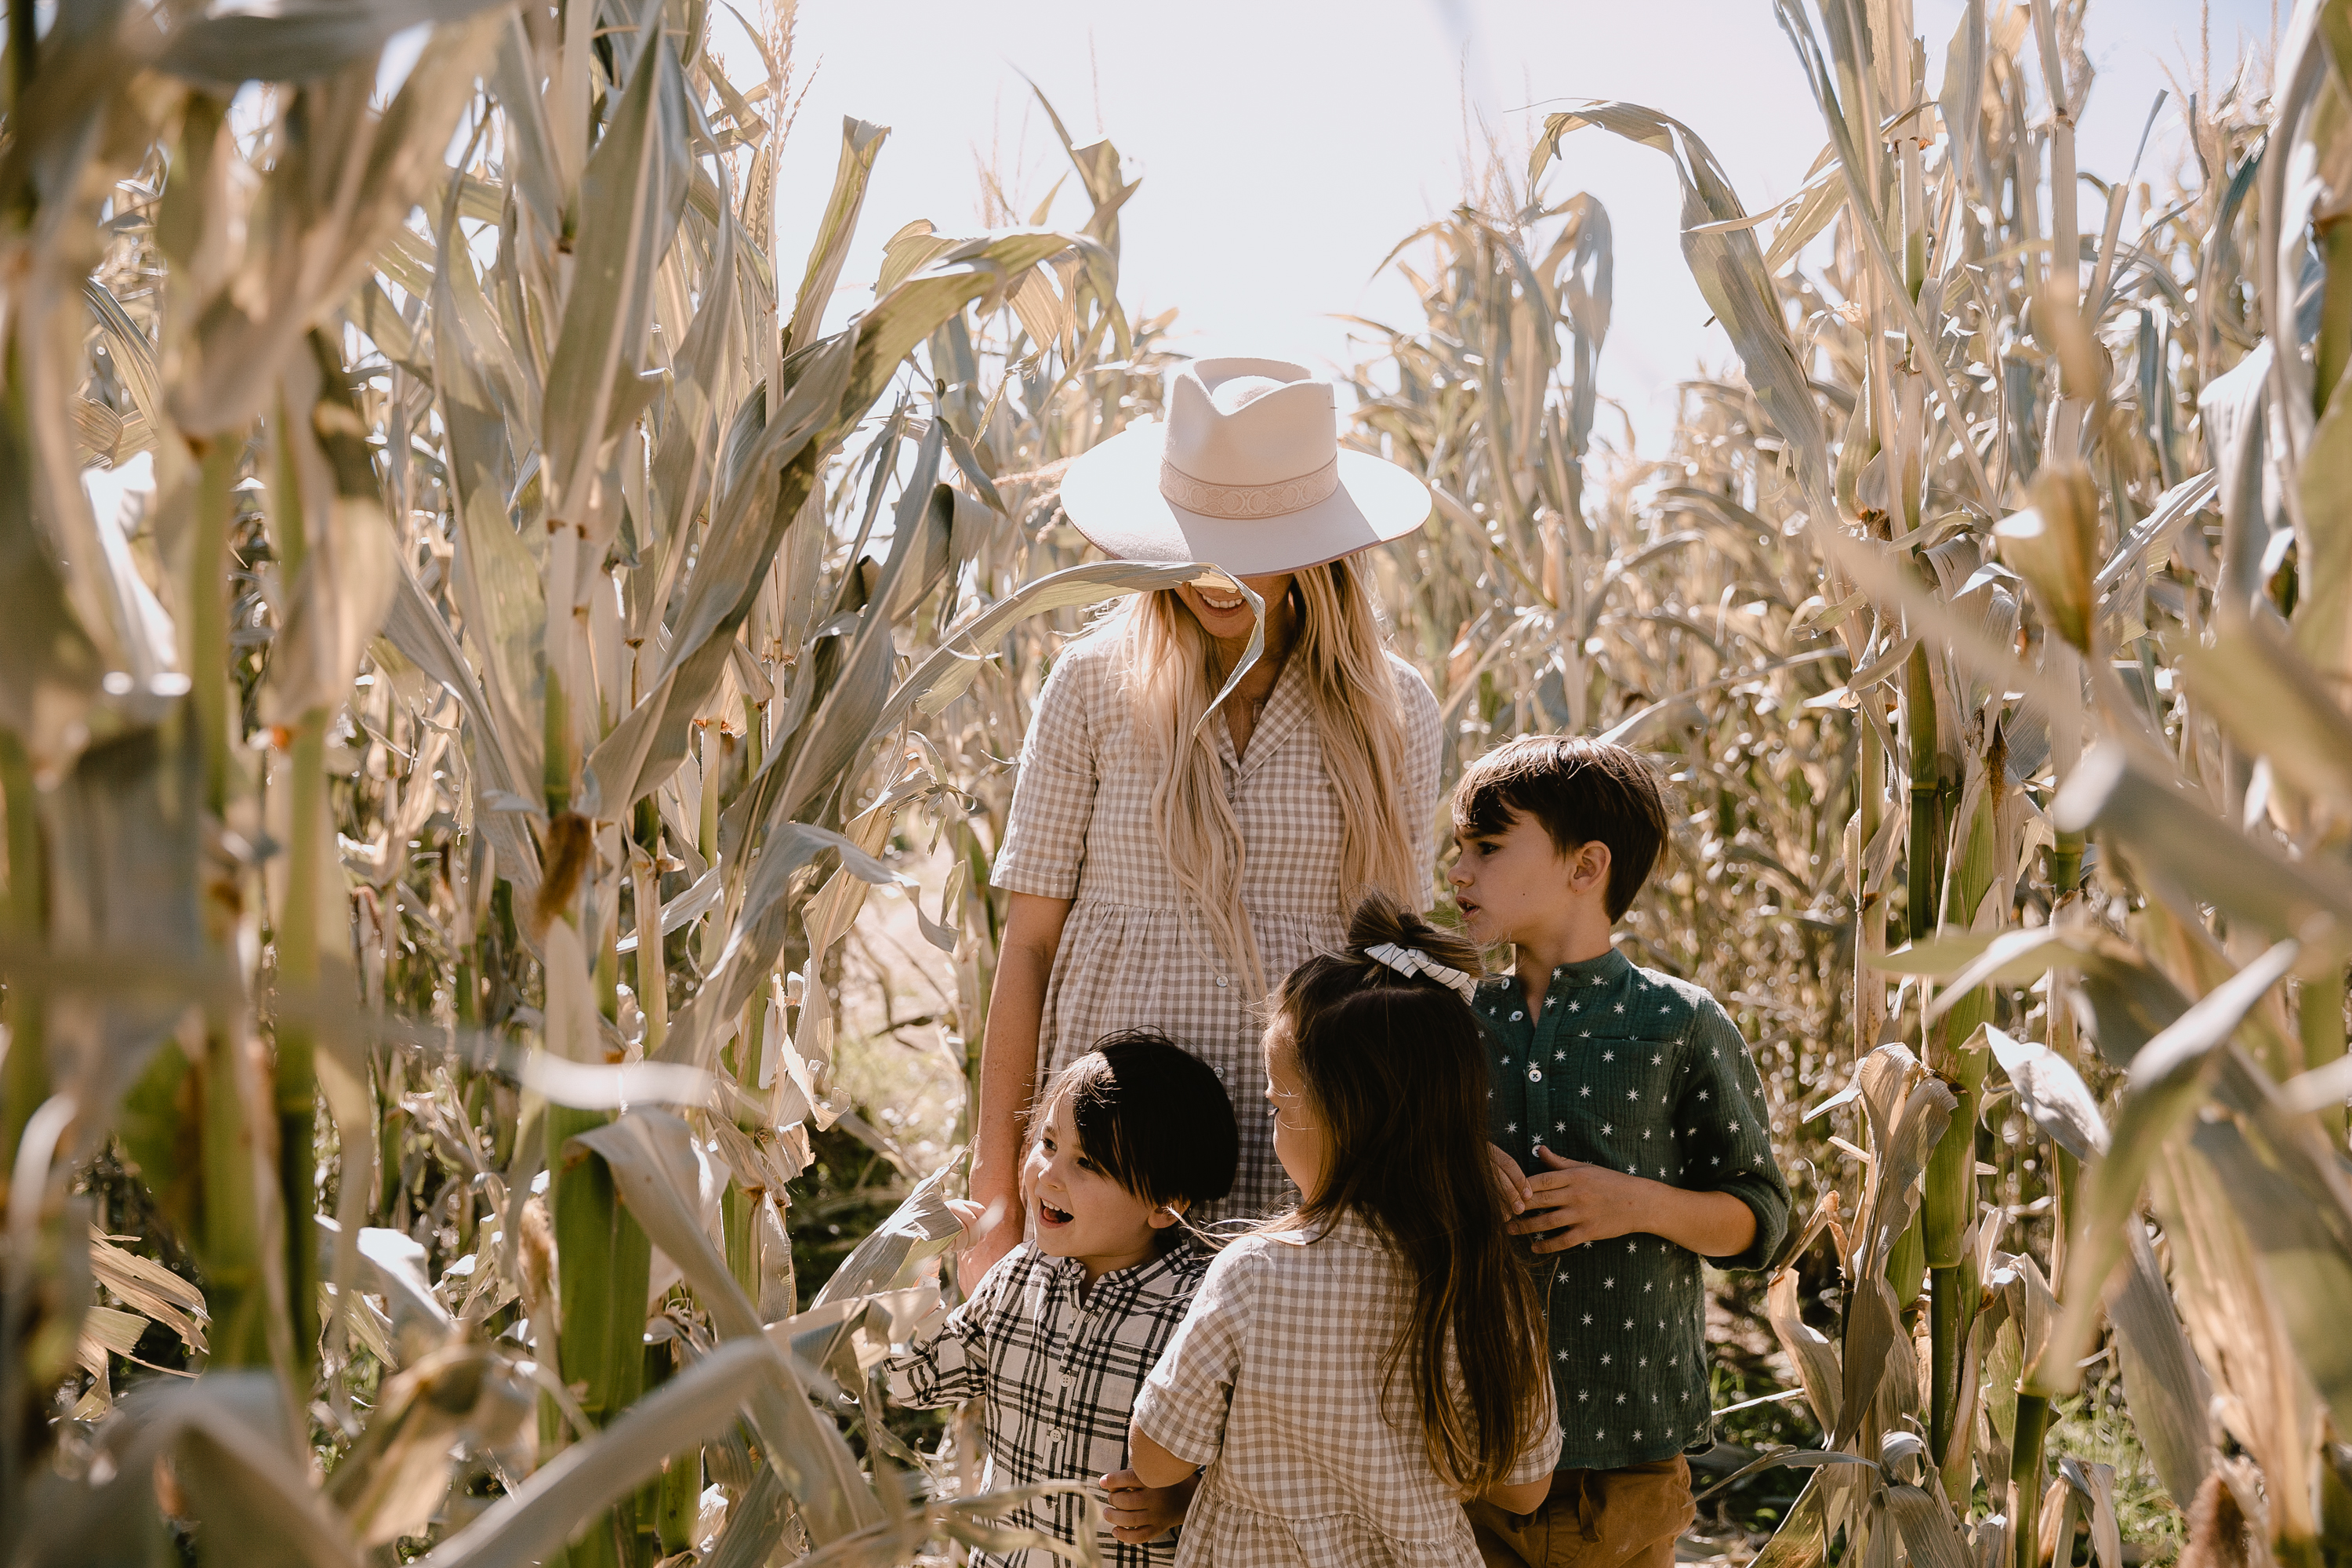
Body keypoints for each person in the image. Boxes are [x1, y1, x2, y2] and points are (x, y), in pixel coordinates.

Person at [971, 356, 1446, 1274]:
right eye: (1198, 534)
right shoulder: (1094, 683)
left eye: (1254, 539)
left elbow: (1397, 968)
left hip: (1302, 1145)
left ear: (1316, 543)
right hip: (1111, 1150)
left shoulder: (1398, 709)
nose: (1216, 572)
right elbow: (1027, 943)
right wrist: (996, 1189)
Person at [1121, 895, 1562, 1566]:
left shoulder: (1254, 1273)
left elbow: (1155, 1461)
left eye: (1276, 1102)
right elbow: (1524, 1490)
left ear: (1342, 1117)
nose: (1270, 1126)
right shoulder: (1483, 1280)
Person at [1447, 735, 1791, 1568]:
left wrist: (1636, 1202)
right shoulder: (1448, 1021)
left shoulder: (1680, 1022)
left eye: (1486, 847)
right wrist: (1448, 1169)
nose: (1457, 870)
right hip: (1466, 1443)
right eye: (1457, 847)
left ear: (1585, 865)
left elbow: (1761, 1220)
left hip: (1626, 1452)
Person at [883, 1031, 1241, 1566]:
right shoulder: (1015, 1279)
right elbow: (915, 1383)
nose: (1049, 1174)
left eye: (1089, 1164)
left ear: (1166, 1205)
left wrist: (1182, 1500)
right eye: (1049, 1144)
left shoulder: (1197, 1310)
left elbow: (1246, 1464)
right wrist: (919, 1266)